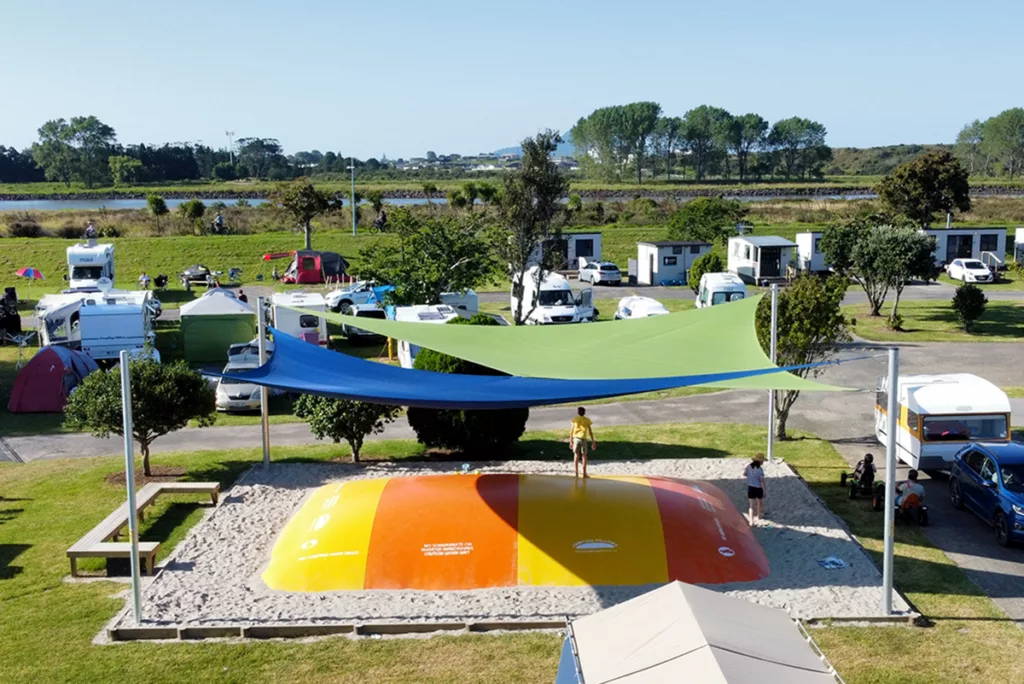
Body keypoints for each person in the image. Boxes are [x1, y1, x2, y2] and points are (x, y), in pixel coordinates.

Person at [569, 407, 596, 479]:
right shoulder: (587, 420)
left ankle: (576, 474)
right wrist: (593, 441)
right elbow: (590, 432)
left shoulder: (574, 419)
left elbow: (571, 431)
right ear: (584, 412)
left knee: (576, 455)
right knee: (584, 456)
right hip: (583, 439)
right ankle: (584, 474)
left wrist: (571, 441)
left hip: (576, 439)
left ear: (578, 412)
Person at [744, 454, 766, 524]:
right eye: (762, 460)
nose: (763, 462)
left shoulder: (748, 467)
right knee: (760, 502)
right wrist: (764, 490)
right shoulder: (760, 470)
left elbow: (744, 474)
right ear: (759, 461)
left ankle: (751, 521)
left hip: (751, 487)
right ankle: (759, 515)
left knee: (751, 506)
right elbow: (762, 481)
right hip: (758, 488)